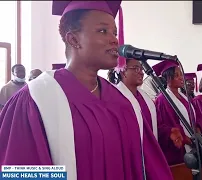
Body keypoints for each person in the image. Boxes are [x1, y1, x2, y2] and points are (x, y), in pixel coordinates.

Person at [0, 1, 173, 180]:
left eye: (114, 32)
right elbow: (23, 171)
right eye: (103, 31)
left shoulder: (124, 103)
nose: (115, 39)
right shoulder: (38, 100)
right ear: (73, 39)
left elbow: (148, 166)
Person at [153, 60, 200, 165]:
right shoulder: (163, 99)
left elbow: (193, 116)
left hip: (194, 144)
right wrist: (187, 140)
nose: (181, 77)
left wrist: (197, 133)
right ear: (167, 78)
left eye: (181, 74)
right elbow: (168, 124)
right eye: (176, 75)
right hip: (178, 150)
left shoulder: (184, 97)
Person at [108, 58, 159, 140]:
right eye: (136, 68)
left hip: (151, 150)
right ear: (123, 72)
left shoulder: (145, 97)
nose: (142, 73)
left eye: (142, 69)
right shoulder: (115, 99)